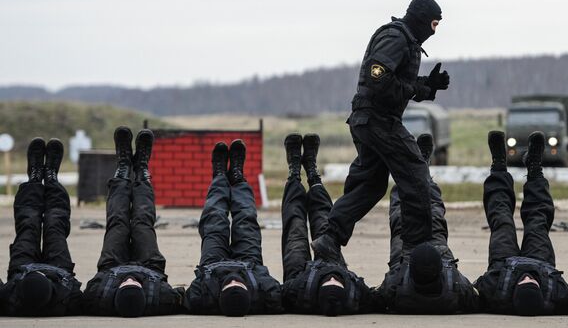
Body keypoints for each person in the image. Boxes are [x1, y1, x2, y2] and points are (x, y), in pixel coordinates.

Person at [312, 0, 450, 264]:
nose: (434, 31)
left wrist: (428, 86)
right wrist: (415, 88)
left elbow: (396, 83)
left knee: (371, 185)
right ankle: (416, 250)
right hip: (378, 121)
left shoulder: (406, 39)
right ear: (422, 19)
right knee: (416, 174)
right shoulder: (396, 37)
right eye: (433, 24)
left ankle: (329, 238)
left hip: (370, 120)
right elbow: (380, 81)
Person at [82, 126, 183, 317]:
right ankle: (142, 171)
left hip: (111, 265)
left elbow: (80, 296)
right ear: (143, 292)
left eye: (125, 285)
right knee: (142, 222)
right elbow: (182, 297)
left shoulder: (97, 300)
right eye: (135, 285)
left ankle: (123, 168)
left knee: (118, 222)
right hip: (150, 266)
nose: (130, 280)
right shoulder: (161, 300)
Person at [375, 134, 478, 314]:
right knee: (431, 215)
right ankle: (422, 170)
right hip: (425, 257)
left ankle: (413, 173)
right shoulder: (455, 288)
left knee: (405, 216)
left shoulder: (395, 288)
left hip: (406, 259)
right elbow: (478, 299)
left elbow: (374, 298)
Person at [474, 131, 568, 316]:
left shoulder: (493, 292)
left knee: (502, 220)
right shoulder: (558, 295)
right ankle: (535, 169)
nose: (526, 277)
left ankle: (499, 166)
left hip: (503, 265)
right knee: (538, 220)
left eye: (523, 282)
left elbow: (471, 293)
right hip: (541, 262)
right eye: (531, 282)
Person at [183, 139, 282, 316]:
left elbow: (184, 298)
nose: (234, 280)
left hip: (213, 263)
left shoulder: (201, 299)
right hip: (249, 262)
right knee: (246, 218)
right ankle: (237, 178)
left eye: (230, 286)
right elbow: (283, 295)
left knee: (214, 219)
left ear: (220, 295)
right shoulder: (267, 294)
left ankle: (220, 176)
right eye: (239, 285)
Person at [280, 133, 375, 316]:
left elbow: (273, 297)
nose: (331, 280)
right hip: (335, 266)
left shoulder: (295, 295)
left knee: (295, 230)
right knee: (326, 223)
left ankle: (294, 174)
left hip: (299, 280)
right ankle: (313, 175)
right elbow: (381, 297)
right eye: (335, 282)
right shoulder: (357, 295)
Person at [0, 138, 82, 316]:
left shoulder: (8, 300)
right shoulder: (68, 301)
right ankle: (51, 178)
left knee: (28, 224)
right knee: (54, 225)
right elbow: (89, 299)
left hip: (21, 271)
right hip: (60, 272)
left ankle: (35, 179)